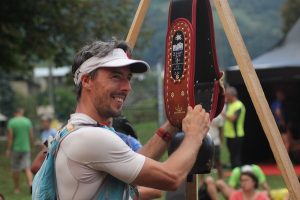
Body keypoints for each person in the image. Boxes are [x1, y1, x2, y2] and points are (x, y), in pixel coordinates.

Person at [37, 39, 210, 199]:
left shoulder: (72, 131)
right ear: (87, 80)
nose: (127, 87)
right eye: (116, 76)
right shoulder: (92, 138)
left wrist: (173, 122)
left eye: (128, 78)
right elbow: (171, 177)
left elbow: (133, 162)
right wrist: (194, 134)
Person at [5, 108, 34, 194]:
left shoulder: (11, 122)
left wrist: (8, 149)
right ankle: (30, 183)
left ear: (15, 113)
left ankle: (17, 189)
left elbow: (10, 138)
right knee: (27, 167)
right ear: (21, 112)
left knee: (15, 168)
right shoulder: (27, 121)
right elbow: (31, 135)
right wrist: (31, 146)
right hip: (26, 148)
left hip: (16, 149)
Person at [205, 164, 270, 199]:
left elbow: (265, 187)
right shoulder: (236, 172)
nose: (244, 182)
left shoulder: (256, 169)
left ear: (254, 182)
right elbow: (231, 189)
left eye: (246, 180)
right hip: (238, 193)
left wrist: (267, 194)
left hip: (255, 193)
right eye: (242, 180)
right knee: (219, 182)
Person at [223, 86, 246, 169]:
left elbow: (233, 118)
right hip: (229, 135)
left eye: (226, 95)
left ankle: (238, 173)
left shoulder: (238, 105)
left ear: (231, 95)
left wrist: (223, 114)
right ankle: (234, 173)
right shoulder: (230, 105)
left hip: (236, 135)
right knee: (232, 156)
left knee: (236, 157)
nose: (225, 98)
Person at [209, 113, 224, 179]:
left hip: (215, 142)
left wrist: (221, 141)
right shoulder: (202, 114)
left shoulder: (219, 116)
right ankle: (201, 182)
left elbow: (221, 130)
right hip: (204, 141)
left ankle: (220, 179)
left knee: (217, 161)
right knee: (201, 163)